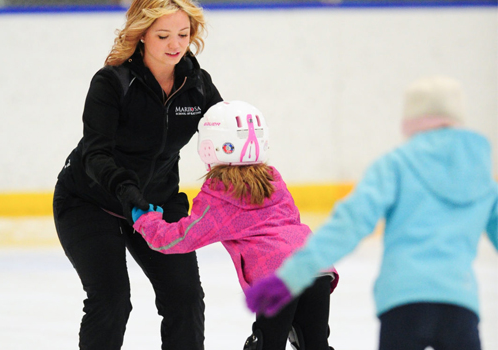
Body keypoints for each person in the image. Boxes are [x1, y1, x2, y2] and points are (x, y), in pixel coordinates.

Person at [245, 76, 498, 350]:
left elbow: (346, 227)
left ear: (411, 120)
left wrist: (289, 278)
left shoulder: (395, 166)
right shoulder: (481, 175)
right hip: (459, 303)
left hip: (403, 303)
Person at [52, 1, 223, 349]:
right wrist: (129, 195)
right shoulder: (112, 82)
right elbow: (95, 154)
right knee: (112, 300)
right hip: (89, 201)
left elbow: (228, 136)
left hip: (157, 201)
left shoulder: (197, 85)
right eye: (163, 35)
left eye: (183, 34)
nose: (175, 45)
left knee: (185, 298)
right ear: (142, 34)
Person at [131, 100, 339, 350]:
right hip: (316, 266)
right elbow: (290, 224)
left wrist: (145, 219)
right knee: (315, 344)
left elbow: (178, 239)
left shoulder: (219, 194)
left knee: (266, 345)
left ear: (210, 146)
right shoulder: (273, 178)